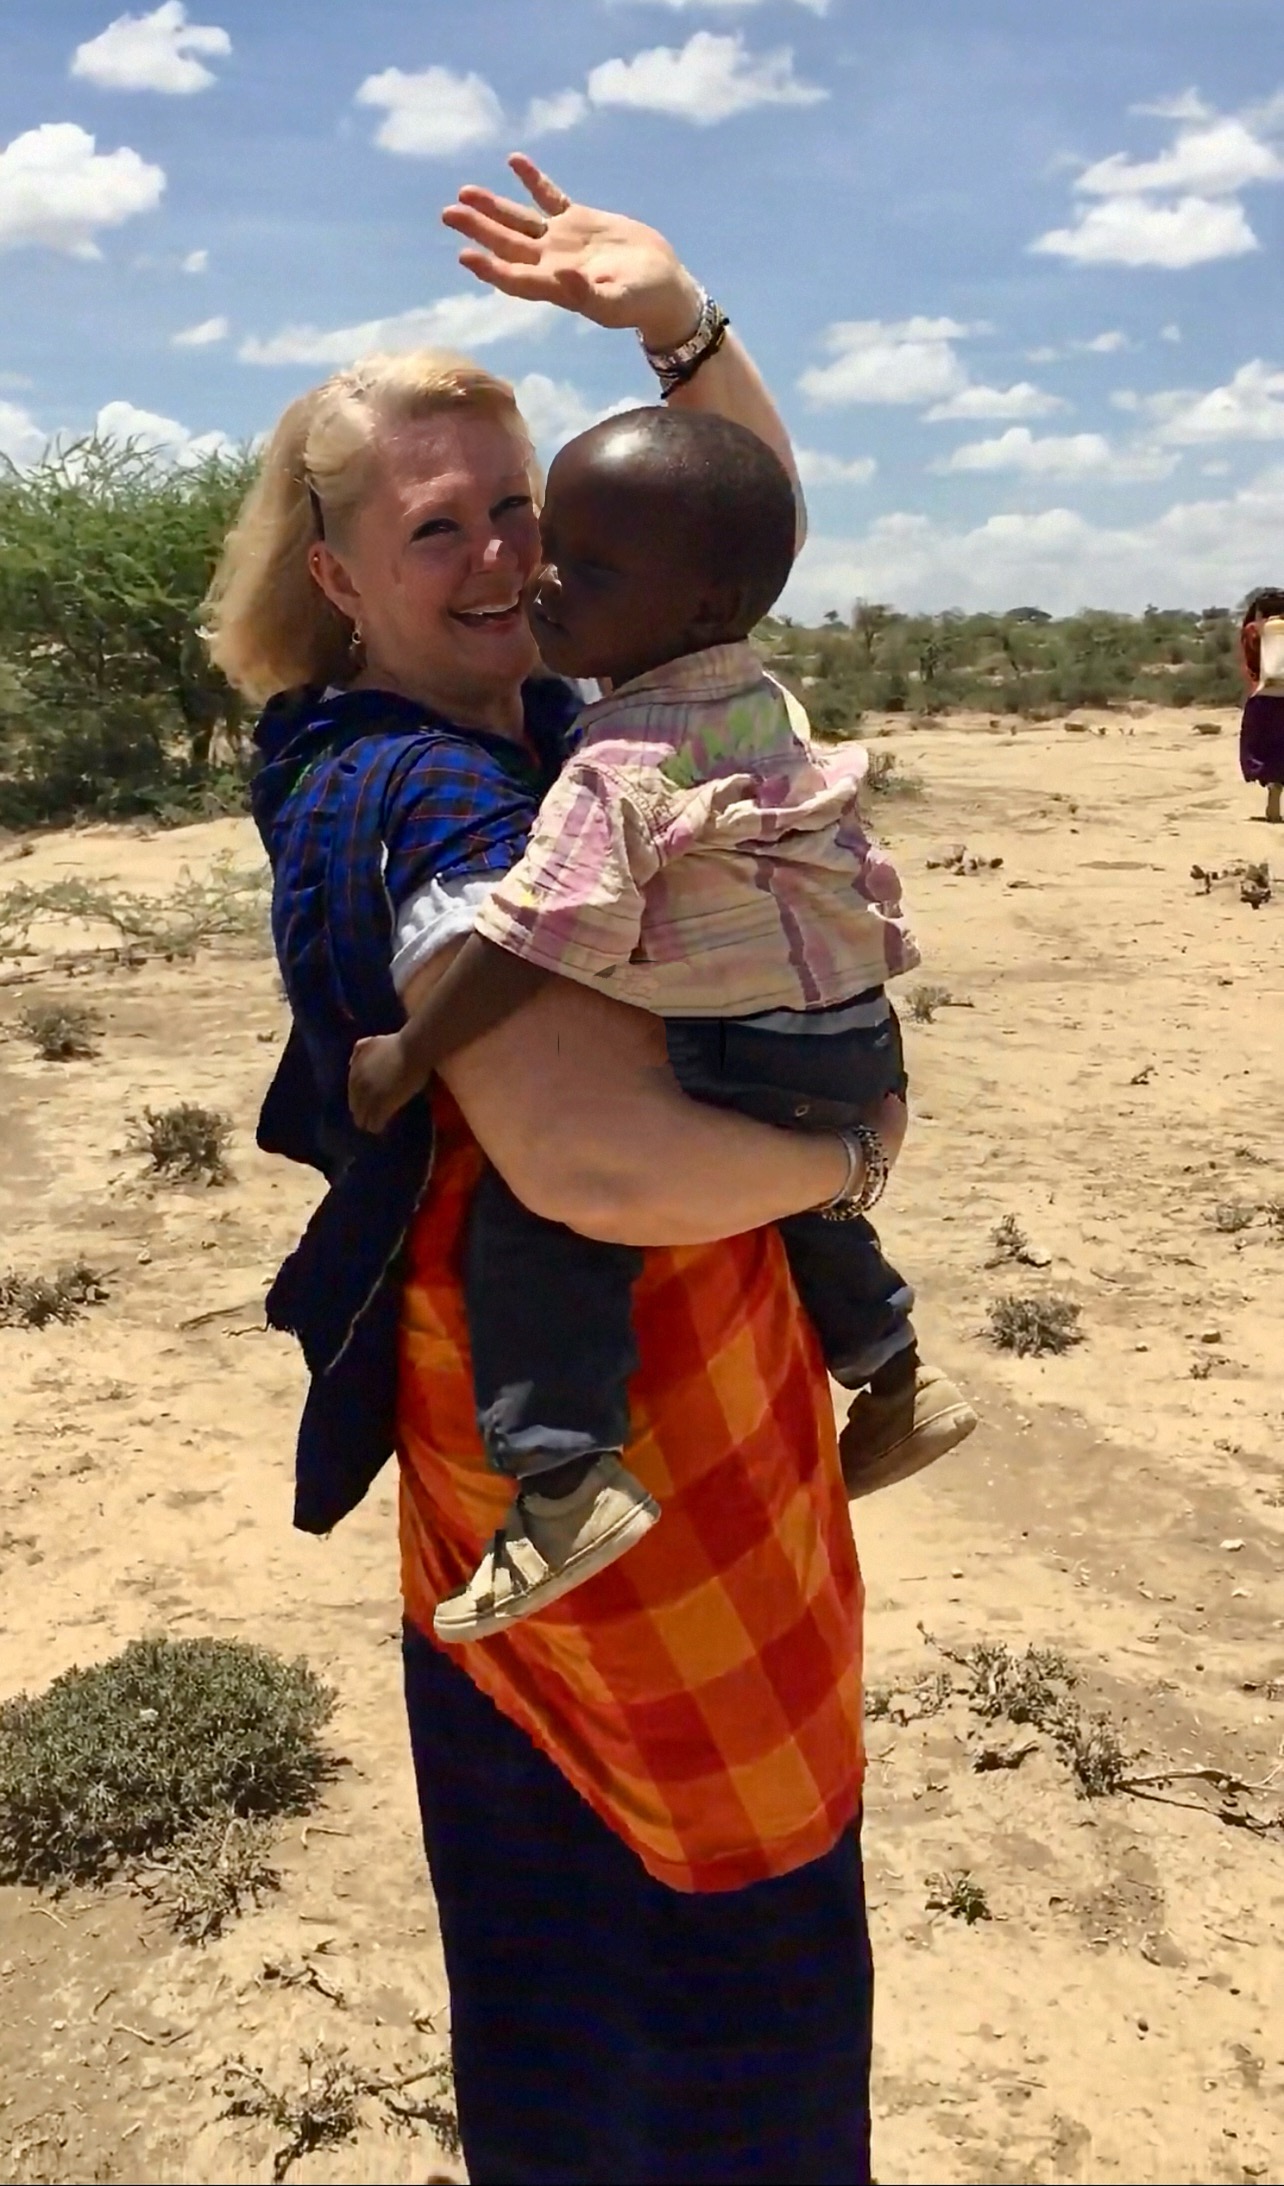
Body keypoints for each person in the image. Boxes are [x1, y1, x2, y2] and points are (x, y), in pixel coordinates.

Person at [206, 153, 904, 2185]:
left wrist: (673, 323)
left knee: (595, 1912)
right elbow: (594, 1165)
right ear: (340, 576)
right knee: (694, 1951)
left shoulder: (556, 718)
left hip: (683, 1405)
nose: (506, 556)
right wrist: (855, 1142)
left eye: (520, 511)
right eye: (439, 527)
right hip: (601, 1436)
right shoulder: (412, 790)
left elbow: (718, 538)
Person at [348, 401, 976, 1644]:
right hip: (853, 1035)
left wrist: (412, 1052)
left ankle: (562, 1476)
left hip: (748, 1043)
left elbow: (531, 935)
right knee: (794, 1184)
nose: (542, 578)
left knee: (542, 1219)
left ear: (701, 604)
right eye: (556, 544)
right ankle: (899, 1370)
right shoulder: (760, 697)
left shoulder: (616, 761)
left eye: (588, 566)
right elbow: (727, 511)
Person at [1238, 587, 1284, 823]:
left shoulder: (1254, 630)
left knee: (1259, 743)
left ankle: (1272, 780)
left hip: (1264, 694)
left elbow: (1250, 662)